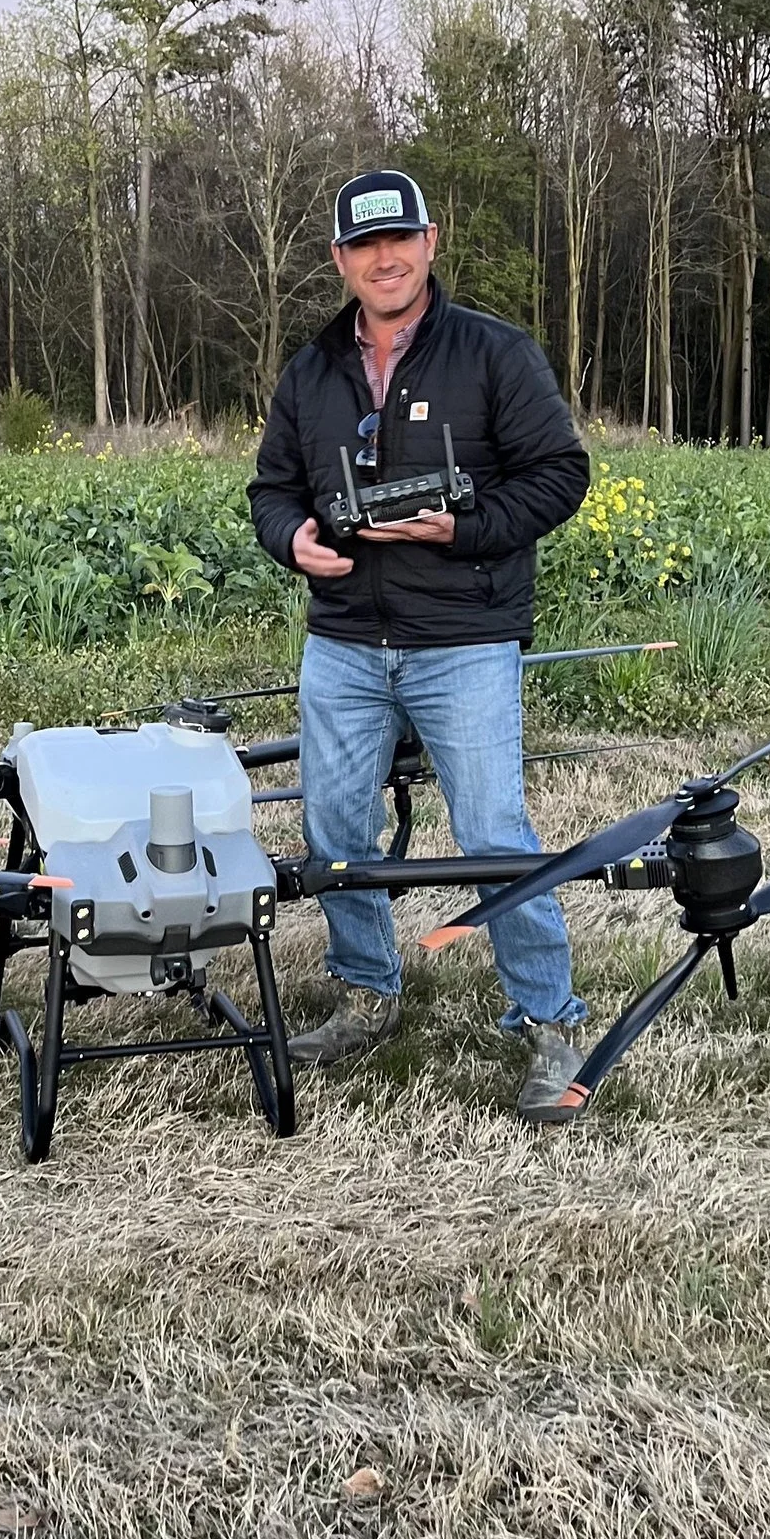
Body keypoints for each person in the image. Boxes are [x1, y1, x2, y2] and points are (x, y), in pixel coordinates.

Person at [247, 167, 595, 1123]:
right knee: (335, 831)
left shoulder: (493, 354)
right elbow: (271, 491)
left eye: (399, 239)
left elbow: (562, 475)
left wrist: (463, 528)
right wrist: (296, 541)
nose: (384, 258)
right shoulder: (312, 371)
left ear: (430, 243)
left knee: (492, 833)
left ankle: (548, 1017)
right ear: (340, 261)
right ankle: (368, 990)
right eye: (364, 246)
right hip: (347, 642)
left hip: (464, 636)